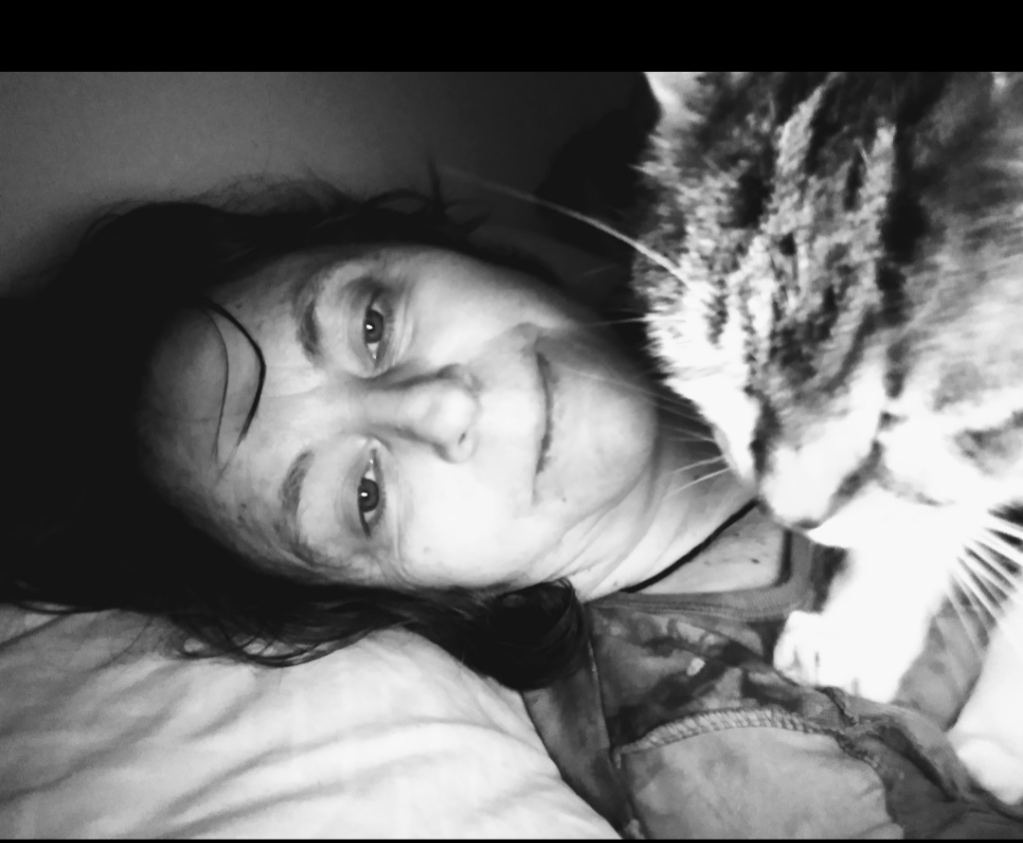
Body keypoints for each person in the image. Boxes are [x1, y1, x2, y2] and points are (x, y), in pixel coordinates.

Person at [0, 183, 753, 690]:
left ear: (440, 248)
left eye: (371, 326)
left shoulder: (744, 211)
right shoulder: (730, 740)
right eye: (365, 496)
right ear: (419, 600)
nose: (439, 408)